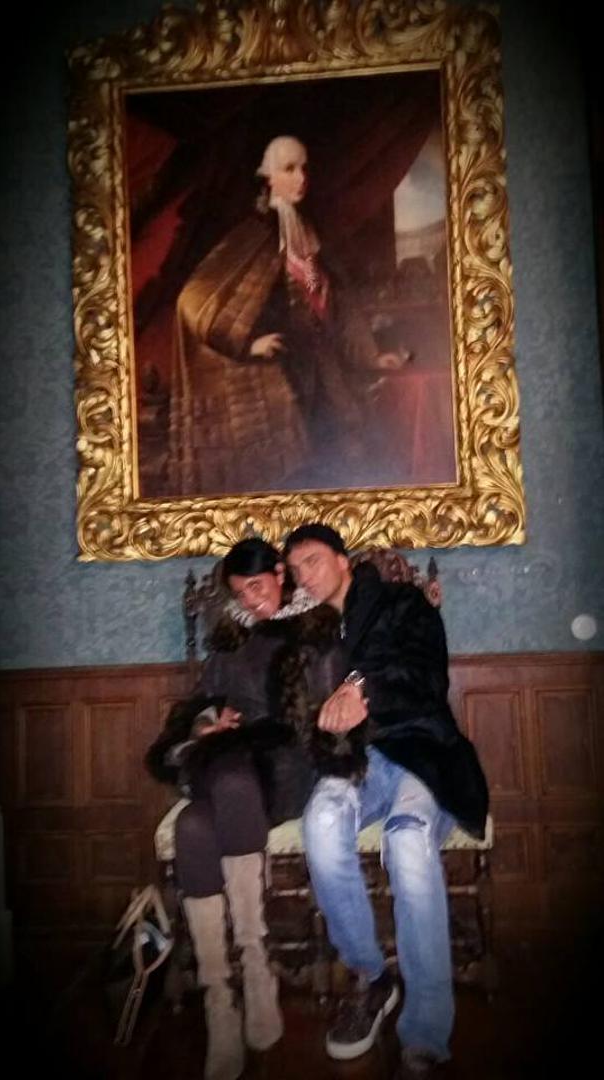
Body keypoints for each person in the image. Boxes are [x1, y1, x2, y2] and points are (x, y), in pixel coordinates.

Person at [283, 523, 489, 1080]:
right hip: (360, 761)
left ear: (343, 560)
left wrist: (363, 688)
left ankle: (425, 1032)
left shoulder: (402, 603)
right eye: (295, 569)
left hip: (422, 751)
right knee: (322, 820)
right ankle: (373, 978)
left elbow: (425, 673)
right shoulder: (309, 631)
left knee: (408, 839)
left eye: (312, 560)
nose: (304, 575)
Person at [145, 536, 345, 1080]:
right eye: (240, 593)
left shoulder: (316, 629)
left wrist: (252, 729)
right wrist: (208, 724)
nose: (251, 601)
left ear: (281, 573)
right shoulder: (230, 635)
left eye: (257, 587)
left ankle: (251, 969)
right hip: (228, 764)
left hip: (284, 766)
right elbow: (202, 700)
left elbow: (322, 716)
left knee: (199, 819)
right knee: (204, 812)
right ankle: (226, 993)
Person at [169, 135, 400, 494]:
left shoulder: (307, 231)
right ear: (268, 178)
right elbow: (193, 300)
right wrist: (247, 343)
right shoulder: (253, 234)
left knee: (346, 458)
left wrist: (370, 356)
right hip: (282, 377)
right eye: (289, 169)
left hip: (324, 370)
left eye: (304, 168)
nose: (301, 177)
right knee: (296, 475)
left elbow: (334, 304)